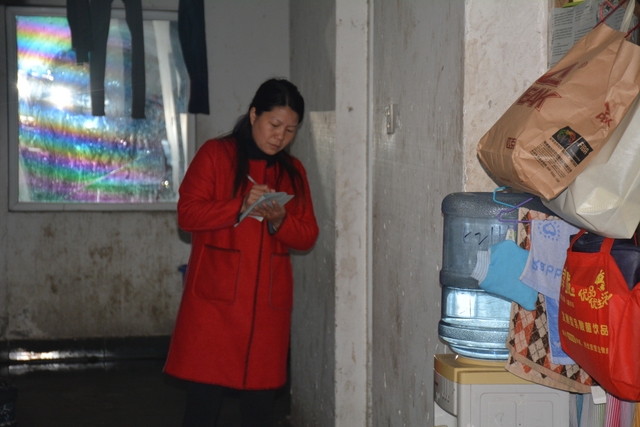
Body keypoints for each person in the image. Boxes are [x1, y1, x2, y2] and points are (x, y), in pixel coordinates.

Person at [164, 78, 319, 427]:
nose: (280, 137)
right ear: (253, 115)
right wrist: (238, 205)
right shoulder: (216, 154)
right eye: (274, 124)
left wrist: (280, 221)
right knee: (203, 408)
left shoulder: (293, 173)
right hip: (214, 308)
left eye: (290, 130)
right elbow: (187, 214)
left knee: (259, 410)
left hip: (266, 311)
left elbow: (308, 234)